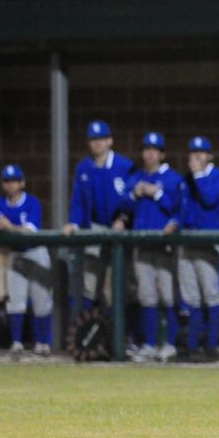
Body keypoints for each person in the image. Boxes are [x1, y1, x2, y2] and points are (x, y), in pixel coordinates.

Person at [118, 132, 183, 363]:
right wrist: (135, 193)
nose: (150, 153)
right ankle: (148, 344)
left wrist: (157, 193)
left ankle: (171, 343)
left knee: (167, 295)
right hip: (141, 243)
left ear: (162, 154)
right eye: (147, 149)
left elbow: (177, 210)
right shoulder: (136, 177)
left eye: (155, 150)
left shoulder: (173, 179)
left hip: (164, 244)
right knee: (146, 296)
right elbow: (123, 205)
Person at [0, 164, 54, 359]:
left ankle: (43, 343)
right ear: (3, 184)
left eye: (15, 181)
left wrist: (8, 227)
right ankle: (17, 343)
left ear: (22, 183)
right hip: (16, 254)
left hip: (36, 253)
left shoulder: (32, 202)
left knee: (42, 301)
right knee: (16, 301)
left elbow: (30, 230)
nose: (11, 185)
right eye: (7, 181)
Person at [62, 119, 134, 310]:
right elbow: (77, 200)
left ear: (110, 141)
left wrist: (123, 219)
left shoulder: (124, 166)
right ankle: (90, 334)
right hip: (93, 227)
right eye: (93, 139)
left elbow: (132, 199)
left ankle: (128, 336)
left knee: (124, 284)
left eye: (101, 139)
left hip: (119, 228)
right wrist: (73, 223)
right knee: (90, 284)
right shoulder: (84, 167)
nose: (97, 143)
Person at [179, 135, 219, 362]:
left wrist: (197, 173)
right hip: (187, 240)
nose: (196, 157)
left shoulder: (218, 176)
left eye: (201, 153)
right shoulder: (186, 178)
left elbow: (209, 199)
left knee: (210, 295)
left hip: (208, 241)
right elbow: (184, 207)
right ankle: (192, 347)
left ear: (210, 156)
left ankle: (211, 346)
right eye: (193, 153)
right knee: (191, 297)